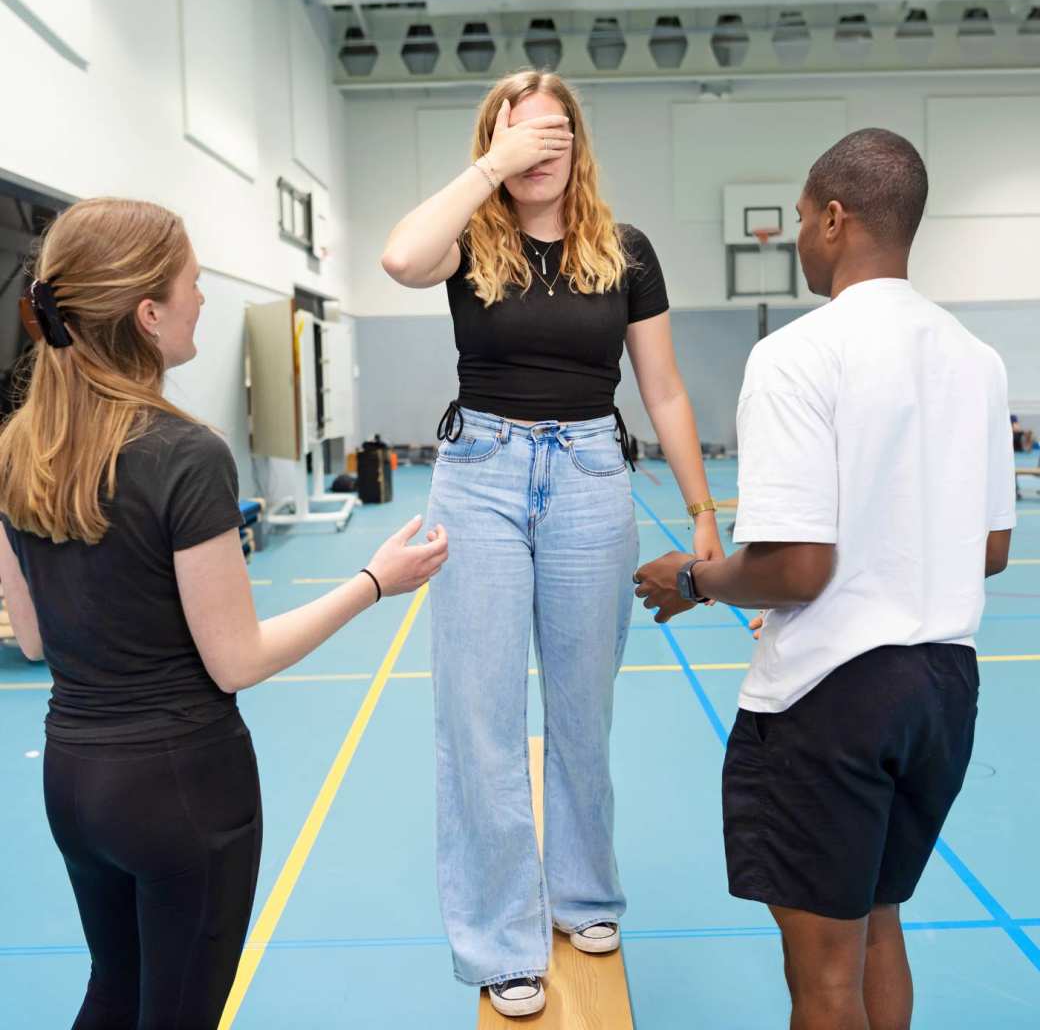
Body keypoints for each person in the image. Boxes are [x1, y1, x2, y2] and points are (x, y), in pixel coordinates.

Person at [0, 198, 448, 1030]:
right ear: (147, 312)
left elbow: (31, 638)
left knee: (115, 988)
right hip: (180, 793)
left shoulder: (19, 447)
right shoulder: (184, 454)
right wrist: (375, 581)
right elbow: (236, 660)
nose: (203, 298)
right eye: (193, 283)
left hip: (73, 781)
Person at [633, 129, 1016, 1030]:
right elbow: (990, 549)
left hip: (833, 696)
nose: (798, 236)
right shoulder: (977, 357)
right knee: (879, 923)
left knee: (824, 976)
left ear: (835, 219)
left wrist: (692, 579)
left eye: (803, 219)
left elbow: (797, 567)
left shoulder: (798, 355)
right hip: (943, 691)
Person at [381, 71, 724, 1017]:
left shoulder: (626, 249)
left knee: (583, 707)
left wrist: (699, 511)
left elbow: (662, 390)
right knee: (480, 717)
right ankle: (501, 940)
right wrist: (491, 163)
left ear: (579, 145)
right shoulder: (466, 241)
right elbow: (400, 257)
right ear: (492, 144)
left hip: (589, 476)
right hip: (481, 473)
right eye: (516, 133)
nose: (539, 149)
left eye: (554, 132)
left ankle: (583, 896)